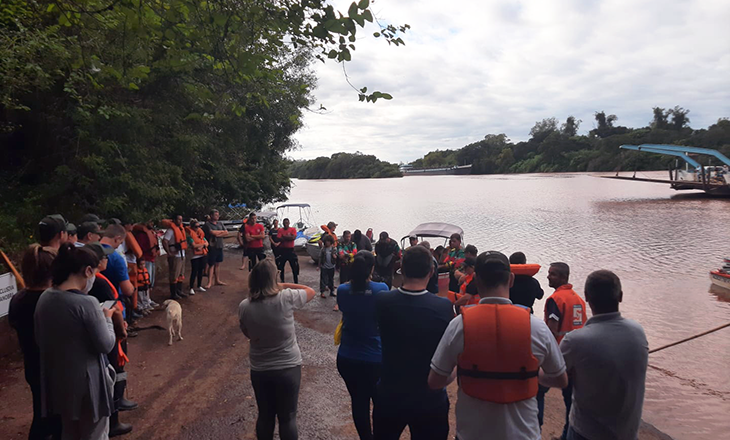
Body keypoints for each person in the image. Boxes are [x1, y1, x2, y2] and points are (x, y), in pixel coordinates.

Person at [427, 251, 569, 440]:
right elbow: (560, 380)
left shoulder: (459, 325)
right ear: (511, 280)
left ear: (476, 281)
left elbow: (435, 381)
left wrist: (458, 370)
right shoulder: (536, 327)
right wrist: (532, 374)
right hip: (523, 435)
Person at [34, 244, 116, 440]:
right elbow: (106, 344)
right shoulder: (87, 303)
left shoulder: (45, 297)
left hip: (59, 379)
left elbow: (40, 338)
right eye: (94, 272)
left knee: (69, 432)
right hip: (90, 385)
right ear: (88, 271)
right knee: (94, 434)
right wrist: (108, 318)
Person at [373, 246, 454, 440]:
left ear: (402, 269)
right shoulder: (443, 307)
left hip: (390, 393)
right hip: (429, 397)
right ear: (431, 271)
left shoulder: (383, 301)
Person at [561, 270, 648, 440]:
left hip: (585, 433)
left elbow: (552, 375)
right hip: (627, 433)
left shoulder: (575, 340)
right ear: (620, 296)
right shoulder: (638, 332)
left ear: (586, 297)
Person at [238, 260, 316, 440]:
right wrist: (282, 285)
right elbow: (310, 291)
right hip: (288, 366)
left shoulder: (245, 306)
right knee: (288, 417)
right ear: (274, 280)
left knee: (265, 416)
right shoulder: (285, 297)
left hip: (260, 368)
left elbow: (247, 333)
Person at [8, 245, 62, 440]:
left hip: (32, 364)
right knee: (58, 420)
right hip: (57, 369)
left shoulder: (18, 300)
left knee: (40, 411)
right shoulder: (54, 301)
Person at [337, 251, 389, 440]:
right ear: (372, 268)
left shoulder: (342, 290)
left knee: (359, 402)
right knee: (380, 403)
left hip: (347, 357)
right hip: (375, 358)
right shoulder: (381, 288)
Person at [85, 242, 135, 437]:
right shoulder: (99, 282)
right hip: (110, 333)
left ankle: (118, 403)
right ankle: (114, 419)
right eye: (104, 257)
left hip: (107, 330)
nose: (107, 259)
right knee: (114, 372)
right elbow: (110, 308)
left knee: (116, 373)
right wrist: (121, 328)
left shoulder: (95, 280)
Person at [537, 262, 587, 439]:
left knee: (538, 391)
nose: (548, 276)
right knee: (571, 403)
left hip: (559, 355)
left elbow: (551, 331)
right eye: (549, 273)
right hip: (579, 358)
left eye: (553, 274)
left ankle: (535, 428)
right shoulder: (578, 299)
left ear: (563, 277)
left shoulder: (555, 300)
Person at [101, 224, 136, 312]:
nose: (118, 246)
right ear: (117, 238)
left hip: (89, 303)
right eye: (120, 243)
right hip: (111, 304)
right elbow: (127, 290)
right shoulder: (116, 258)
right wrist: (132, 289)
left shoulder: (88, 251)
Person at [162, 215, 187, 300]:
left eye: (181, 219)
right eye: (178, 219)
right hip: (175, 256)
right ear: (174, 220)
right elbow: (165, 241)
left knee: (181, 275)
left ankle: (179, 291)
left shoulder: (180, 229)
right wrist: (168, 252)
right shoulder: (171, 230)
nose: (180, 221)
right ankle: (173, 293)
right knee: (174, 275)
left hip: (182, 255)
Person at [202, 209, 228, 288]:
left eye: (218, 215)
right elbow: (212, 232)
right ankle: (209, 282)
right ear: (211, 215)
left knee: (217, 264)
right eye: (216, 215)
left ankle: (217, 280)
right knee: (211, 264)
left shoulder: (220, 223)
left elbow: (226, 232)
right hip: (212, 246)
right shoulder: (207, 224)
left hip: (219, 246)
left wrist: (218, 234)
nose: (217, 216)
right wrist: (221, 232)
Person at [132, 220, 159, 289]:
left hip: (152, 258)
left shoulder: (150, 232)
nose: (152, 224)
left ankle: (148, 296)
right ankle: (145, 297)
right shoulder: (142, 234)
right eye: (150, 222)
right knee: (146, 279)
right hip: (146, 259)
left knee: (151, 279)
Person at [186, 219, 208, 295]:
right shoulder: (189, 236)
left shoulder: (200, 234)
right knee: (194, 271)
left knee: (201, 271)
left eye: (199, 226)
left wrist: (201, 246)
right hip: (194, 256)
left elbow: (206, 243)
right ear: (192, 227)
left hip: (202, 254)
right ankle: (191, 287)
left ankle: (199, 285)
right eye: (196, 226)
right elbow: (194, 245)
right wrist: (203, 245)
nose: (198, 228)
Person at [277, 218, 299, 283]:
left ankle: (296, 282)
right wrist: (288, 237)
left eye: (287, 223)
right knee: (281, 267)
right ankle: (282, 280)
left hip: (291, 250)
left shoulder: (293, 229)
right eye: (284, 223)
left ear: (289, 223)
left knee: (294, 267)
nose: (285, 224)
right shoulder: (280, 230)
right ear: (283, 224)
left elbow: (293, 238)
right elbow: (279, 239)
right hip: (283, 250)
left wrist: (284, 237)